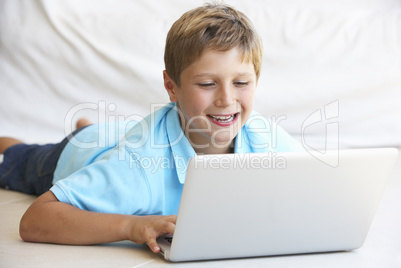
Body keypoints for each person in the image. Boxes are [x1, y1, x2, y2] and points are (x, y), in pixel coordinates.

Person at [0, 3, 303, 253]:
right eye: (208, 84)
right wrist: (131, 226)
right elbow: (34, 220)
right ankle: (17, 142)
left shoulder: (266, 138)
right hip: (75, 152)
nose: (227, 99)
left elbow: (312, 187)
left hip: (123, 137)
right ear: (172, 87)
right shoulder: (138, 166)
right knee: (20, 156)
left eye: (241, 83)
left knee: (115, 139)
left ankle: (90, 128)